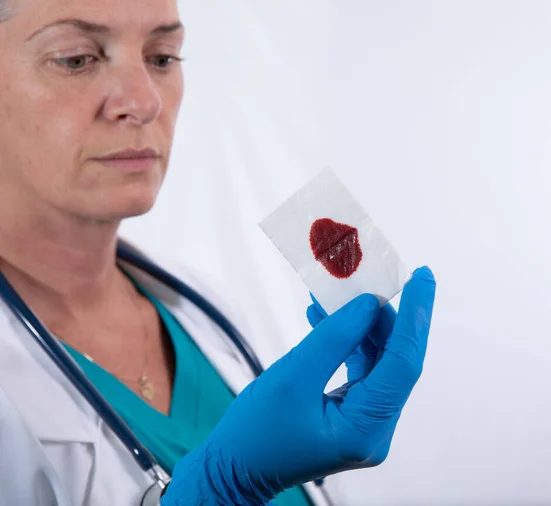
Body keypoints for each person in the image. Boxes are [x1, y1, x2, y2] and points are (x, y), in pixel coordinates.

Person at [0, 0, 436, 504]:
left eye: (162, 57)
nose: (145, 102)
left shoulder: (203, 311)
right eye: (76, 59)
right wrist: (214, 492)